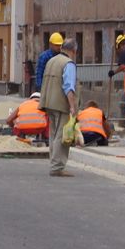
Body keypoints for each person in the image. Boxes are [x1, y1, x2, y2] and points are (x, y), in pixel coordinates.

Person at [40, 38, 79, 177]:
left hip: (49, 103)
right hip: (61, 104)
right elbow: (69, 87)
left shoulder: (52, 61)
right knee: (61, 136)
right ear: (73, 51)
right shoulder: (68, 64)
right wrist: (72, 106)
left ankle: (54, 163)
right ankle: (57, 167)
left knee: (53, 134)